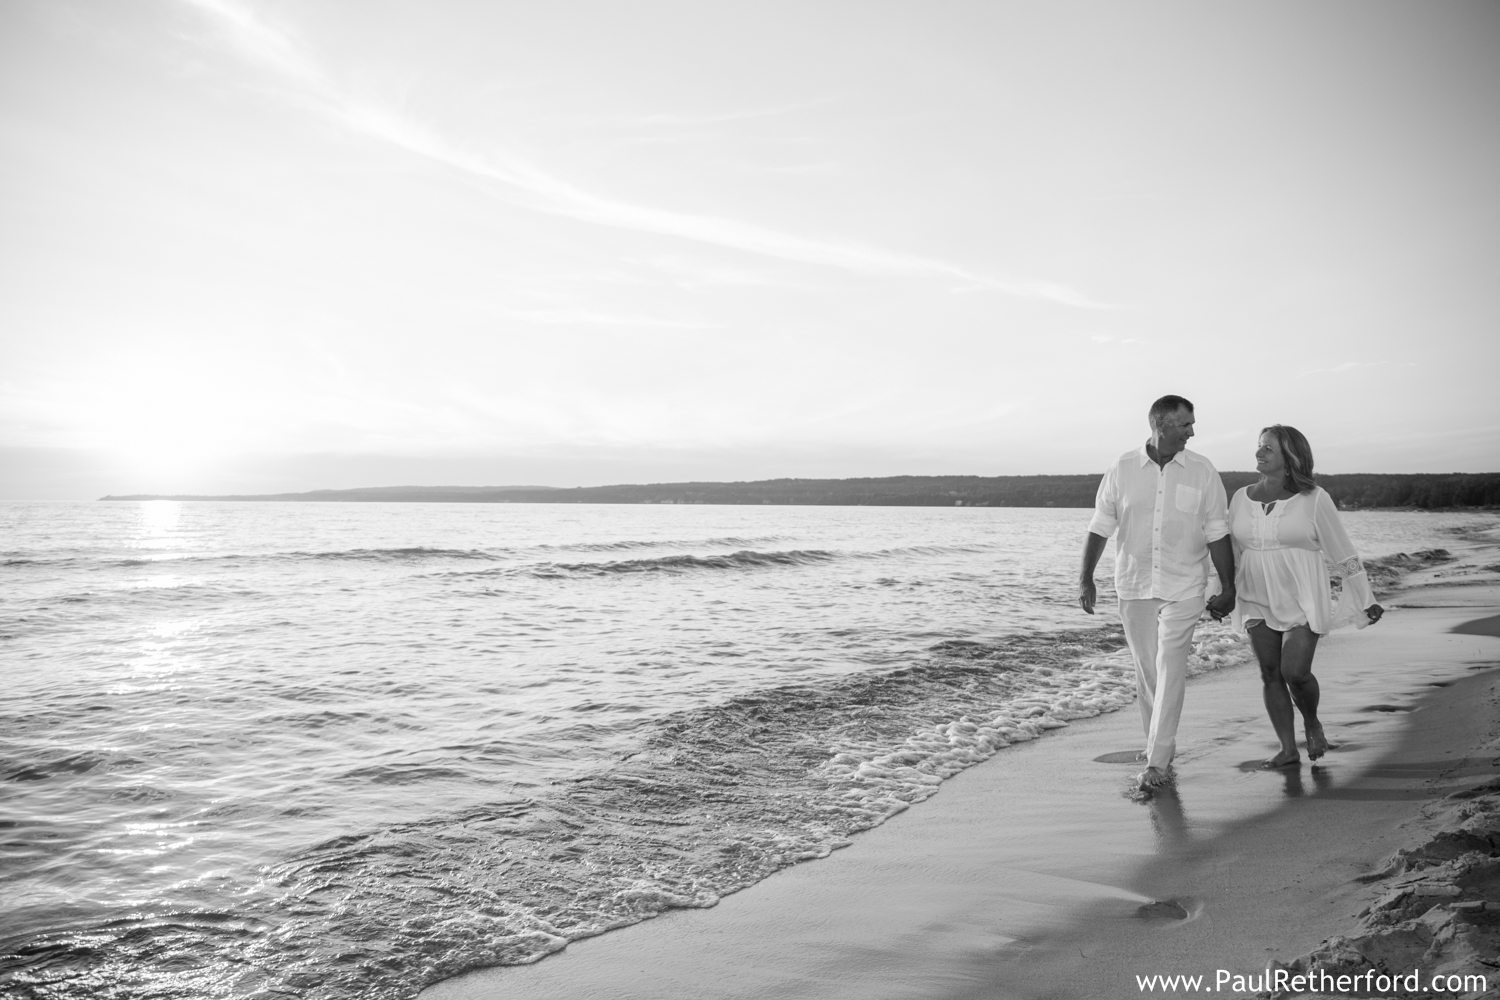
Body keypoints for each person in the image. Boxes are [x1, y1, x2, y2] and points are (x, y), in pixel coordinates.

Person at [1079, 395, 1236, 791]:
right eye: (1185, 425)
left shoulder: (1202, 471)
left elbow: (1217, 529)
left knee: (1170, 667)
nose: (1192, 432)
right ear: (1160, 424)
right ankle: (1158, 748)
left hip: (1185, 585)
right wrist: (1086, 577)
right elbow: (1101, 523)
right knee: (1148, 672)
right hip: (1133, 584)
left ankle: (1157, 761)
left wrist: (1228, 584)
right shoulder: (1123, 467)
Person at [1228, 424, 1384, 769]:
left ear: (1290, 456)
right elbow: (1233, 550)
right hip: (1255, 592)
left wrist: (1365, 596)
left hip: (1302, 595)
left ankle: (1311, 721)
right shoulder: (1240, 497)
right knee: (1270, 673)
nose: (1259, 453)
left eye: (1268, 448)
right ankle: (1287, 749)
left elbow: (1343, 552)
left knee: (1294, 672)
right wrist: (1222, 591)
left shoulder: (1314, 498)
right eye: (1259, 446)